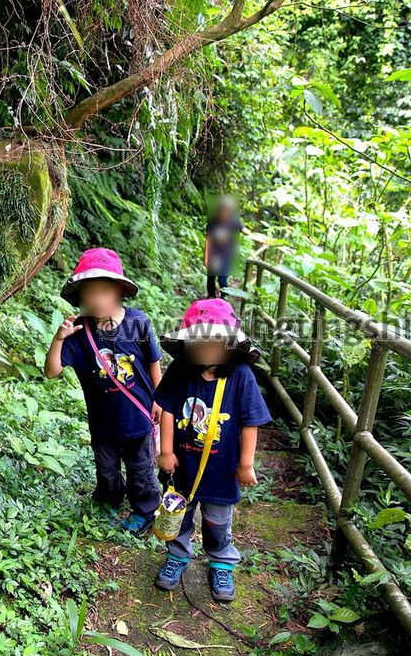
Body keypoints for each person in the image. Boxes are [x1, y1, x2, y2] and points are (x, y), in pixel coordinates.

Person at [151, 298, 271, 601]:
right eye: (200, 341)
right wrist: (166, 451)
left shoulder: (241, 376)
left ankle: (220, 562)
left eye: (215, 341)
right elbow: (166, 409)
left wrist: (245, 464)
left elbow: (250, 422)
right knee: (179, 516)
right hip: (184, 467)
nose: (207, 348)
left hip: (221, 470)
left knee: (218, 522)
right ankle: (177, 556)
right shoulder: (181, 370)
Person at [44, 248, 164, 534]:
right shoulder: (78, 331)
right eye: (90, 293)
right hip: (103, 421)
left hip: (138, 416)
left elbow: (154, 363)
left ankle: (145, 509)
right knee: (106, 467)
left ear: (119, 291)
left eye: (104, 292)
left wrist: (161, 399)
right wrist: (58, 339)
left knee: (141, 469)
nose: (97, 300)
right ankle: (108, 500)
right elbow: (52, 371)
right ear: (80, 296)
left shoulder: (138, 323)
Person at [204, 195, 244, 298]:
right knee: (211, 277)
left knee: (222, 279)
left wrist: (261, 238)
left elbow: (246, 231)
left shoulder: (234, 222)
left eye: (227, 210)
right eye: (223, 209)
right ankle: (211, 297)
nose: (225, 212)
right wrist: (206, 257)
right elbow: (208, 240)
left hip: (226, 254)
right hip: (214, 254)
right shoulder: (213, 222)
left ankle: (224, 299)